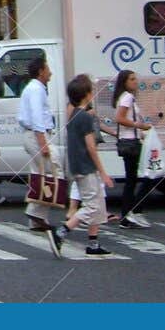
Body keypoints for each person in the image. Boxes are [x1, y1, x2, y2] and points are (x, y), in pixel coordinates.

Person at [57, 75, 113, 258]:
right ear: (87, 95)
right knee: (91, 206)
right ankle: (62, 232)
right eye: (91, 90)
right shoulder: (85, 118)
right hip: (86, 167)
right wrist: (103, 172)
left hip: (77, 165)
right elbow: (91, 147)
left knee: (99, 204)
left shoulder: (73, 114)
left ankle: (93, 243)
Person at [17, 55, 63, 244]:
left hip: (34, 135)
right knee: (53, 171)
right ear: (41, 71)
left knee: (41, 174)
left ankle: (36, 217)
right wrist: (43, 141)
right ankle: (36, 215)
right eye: (48, 68)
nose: (50, 72)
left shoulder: (35, 88)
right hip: (37, 135)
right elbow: (36, 116)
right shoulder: (36, 89)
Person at [111, 69, 156, 229]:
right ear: (124, 82)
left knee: (131, 180)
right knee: (148, 176)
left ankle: (127, 215)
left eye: (135, 79)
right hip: (131, 143)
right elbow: (120, 118)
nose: (135, 81)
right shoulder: (128, 97)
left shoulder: (125, 97)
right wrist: (140, 126)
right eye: (132, 79)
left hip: (129, 141)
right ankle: (134, 211)